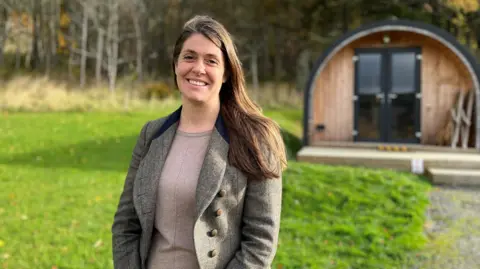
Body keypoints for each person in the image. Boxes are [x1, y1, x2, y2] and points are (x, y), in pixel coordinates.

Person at [111, 15, 287, 269]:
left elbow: (260, 243)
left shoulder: (256, 139)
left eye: (211, 61)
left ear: (226, 73)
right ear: (176, 65)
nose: (198, 68)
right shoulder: (151, 134)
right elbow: (126, 224)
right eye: (189, 57)